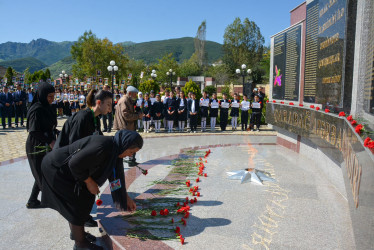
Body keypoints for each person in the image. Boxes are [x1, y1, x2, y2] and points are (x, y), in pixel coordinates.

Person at [41, 130, 142, 250]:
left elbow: (116, 178)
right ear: (125, 144)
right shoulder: (103, 146)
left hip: (70, 172)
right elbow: (74, 163)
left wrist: (125, 197)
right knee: (76, 204)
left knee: (82, 201)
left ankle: (78, 234)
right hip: (58, 169)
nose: (130, 155)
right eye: (131, 152)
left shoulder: (116, 150)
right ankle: (80, 244)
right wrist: (89, 182)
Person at [25, 82, 58, 208]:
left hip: (47, 143)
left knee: (44, 172)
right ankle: (53, 201)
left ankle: (32, 200)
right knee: (40, 173)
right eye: (49, 96)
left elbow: (50, 126)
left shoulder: (48, 107)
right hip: (36, 145)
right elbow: (33, 131)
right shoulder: (36, 109)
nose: (52, 99)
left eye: (53, 96)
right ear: (42, 95)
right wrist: (49, 141)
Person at [113, 86, 142, 166]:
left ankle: (131, 160)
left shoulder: (127, 100)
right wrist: (138, 116)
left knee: (130, 143)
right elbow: (126, 115)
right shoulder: (124, 100)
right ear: (129, 93)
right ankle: (129, 160)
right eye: (135, 94)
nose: (136, 96)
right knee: (129, 144)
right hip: (125, 126)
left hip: (127, 126)